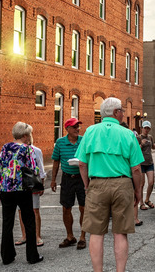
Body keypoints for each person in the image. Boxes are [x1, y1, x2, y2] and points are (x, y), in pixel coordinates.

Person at [76, 97, 144, 272]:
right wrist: (138, 191)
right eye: (121, 110)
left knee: (96, 233)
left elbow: (82, 164)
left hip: (97, 184)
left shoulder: (90, 132)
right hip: (122, 184)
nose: (123, 113)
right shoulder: (128, 134)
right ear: (115, 113)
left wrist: (87, 185)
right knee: (120, 233)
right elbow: (136, 169)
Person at [0, 122, 43, 265]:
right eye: (29, 134)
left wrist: (0, 187)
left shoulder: (5, 147)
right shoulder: (27, 149)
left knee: (7, 223)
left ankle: (7, 256)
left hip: (6, 189)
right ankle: (32, 256)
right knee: (29, 221)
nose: (30, 137)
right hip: (22, 189)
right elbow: (34, 169)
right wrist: (38, 185)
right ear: (24, 135)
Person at [50, 117, 87, 250]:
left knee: (83, 208)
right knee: (66, 208)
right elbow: (56, 162)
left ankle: (82, 237)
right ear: (67, 129)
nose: (77, 129)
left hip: (82, 178)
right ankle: (70, 236)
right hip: (67, 178)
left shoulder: (84, 140)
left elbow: (90, 157)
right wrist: (53, 180)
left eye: (78, 126)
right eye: (74, 127)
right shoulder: (60, 142)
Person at [16, 133, 46, 247]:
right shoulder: (16, 150)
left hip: (32, 183)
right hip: (19, 185)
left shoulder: (36, 150)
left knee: (35, 210)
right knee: (20, 210)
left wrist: (41, 184)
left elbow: (41, 168)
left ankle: (37, 236)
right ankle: (24, 236)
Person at [135, 121, 155, 226]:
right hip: (141, 163)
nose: (146, 130)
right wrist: (141, 144)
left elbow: (153, 147)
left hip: (150, 162)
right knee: (141, 183)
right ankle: (141, 203)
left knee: (152, 182)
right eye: (145, 128)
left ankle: (148, 199)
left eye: (148, 128)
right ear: (142, 128)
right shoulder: (138, 138)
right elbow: (135, 149)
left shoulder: (150, 137)